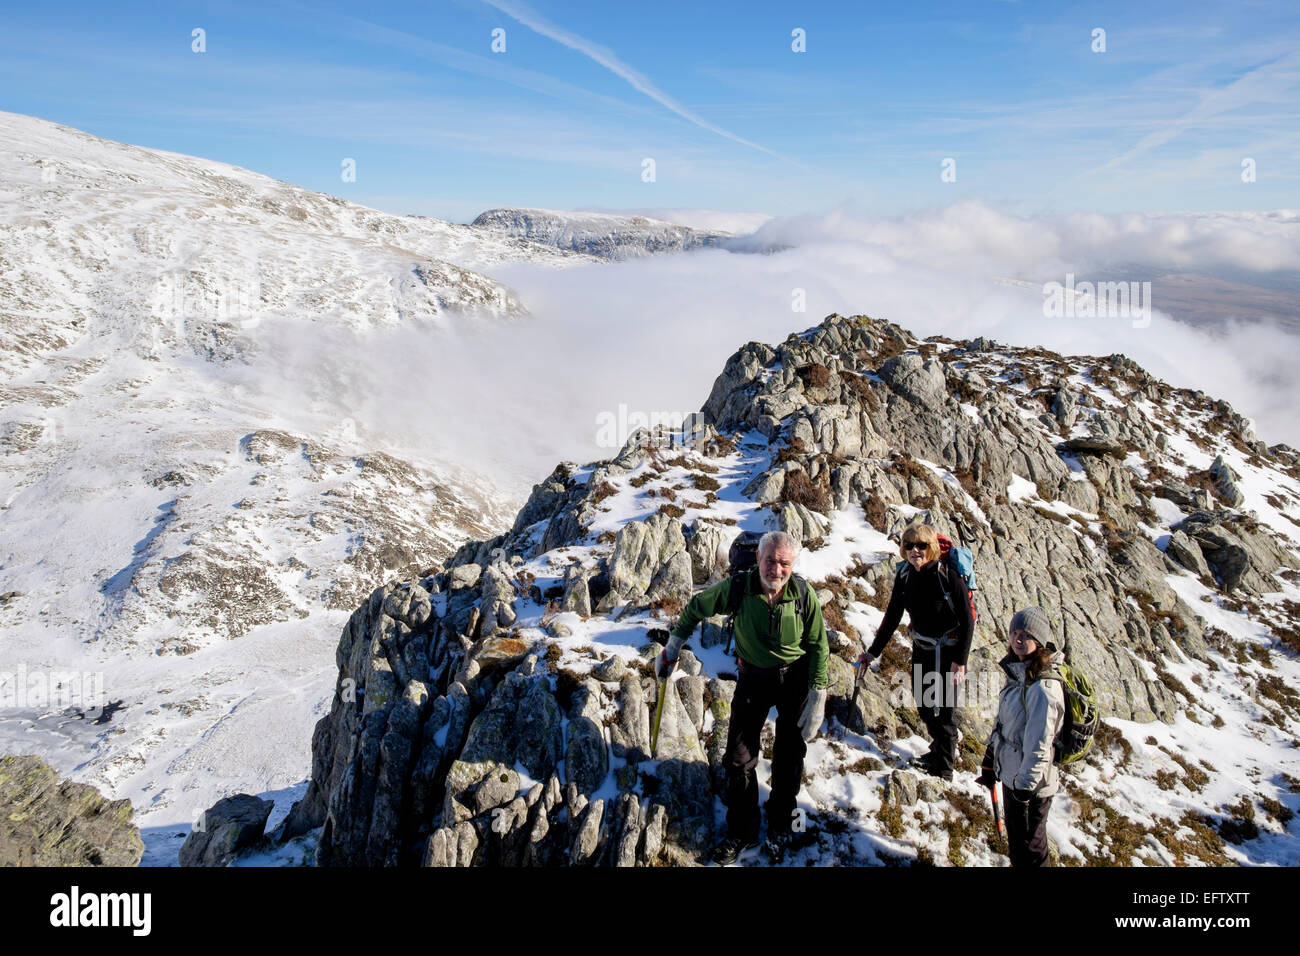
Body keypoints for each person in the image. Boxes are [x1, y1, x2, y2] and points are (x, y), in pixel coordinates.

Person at [658, 530, 829, 865]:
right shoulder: (738, 588)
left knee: (790, 755)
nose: (776, 570)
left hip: (793, 678)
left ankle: (782, 824)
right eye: (770, 561)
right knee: (738, 758)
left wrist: (818, 692)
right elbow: (696, 606)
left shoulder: (803, 595)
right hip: (752, 678)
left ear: (792, 564)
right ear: (757, 559)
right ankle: (743, 832)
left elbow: (818, 644)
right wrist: (673, 647)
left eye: (784, 563)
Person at [855, 524, 973, 780]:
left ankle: (944, 769)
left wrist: (960, 662)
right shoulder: (905, 576)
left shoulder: (947, 575)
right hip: (922, 648)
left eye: (921, 545)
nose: (915, 550)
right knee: (924, 705)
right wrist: (872, 653)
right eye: (909, 545)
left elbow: (967, 620)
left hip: (949, 653)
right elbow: (892, 615)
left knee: (944, 711)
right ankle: (937, 751)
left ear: (931, 548)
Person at [977, 606, 1066, 867]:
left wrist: (1024, 791)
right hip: (1013, 776)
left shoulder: (1043, 689)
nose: (1017, 639)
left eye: (1025, 635)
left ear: (1038, 641)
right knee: (1018, 845)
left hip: (1031, 786)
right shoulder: (1018, 673)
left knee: (1033, 851)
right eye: (1014, 632)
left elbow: (1039, 747)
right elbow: (1004, 723)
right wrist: (991, 756)